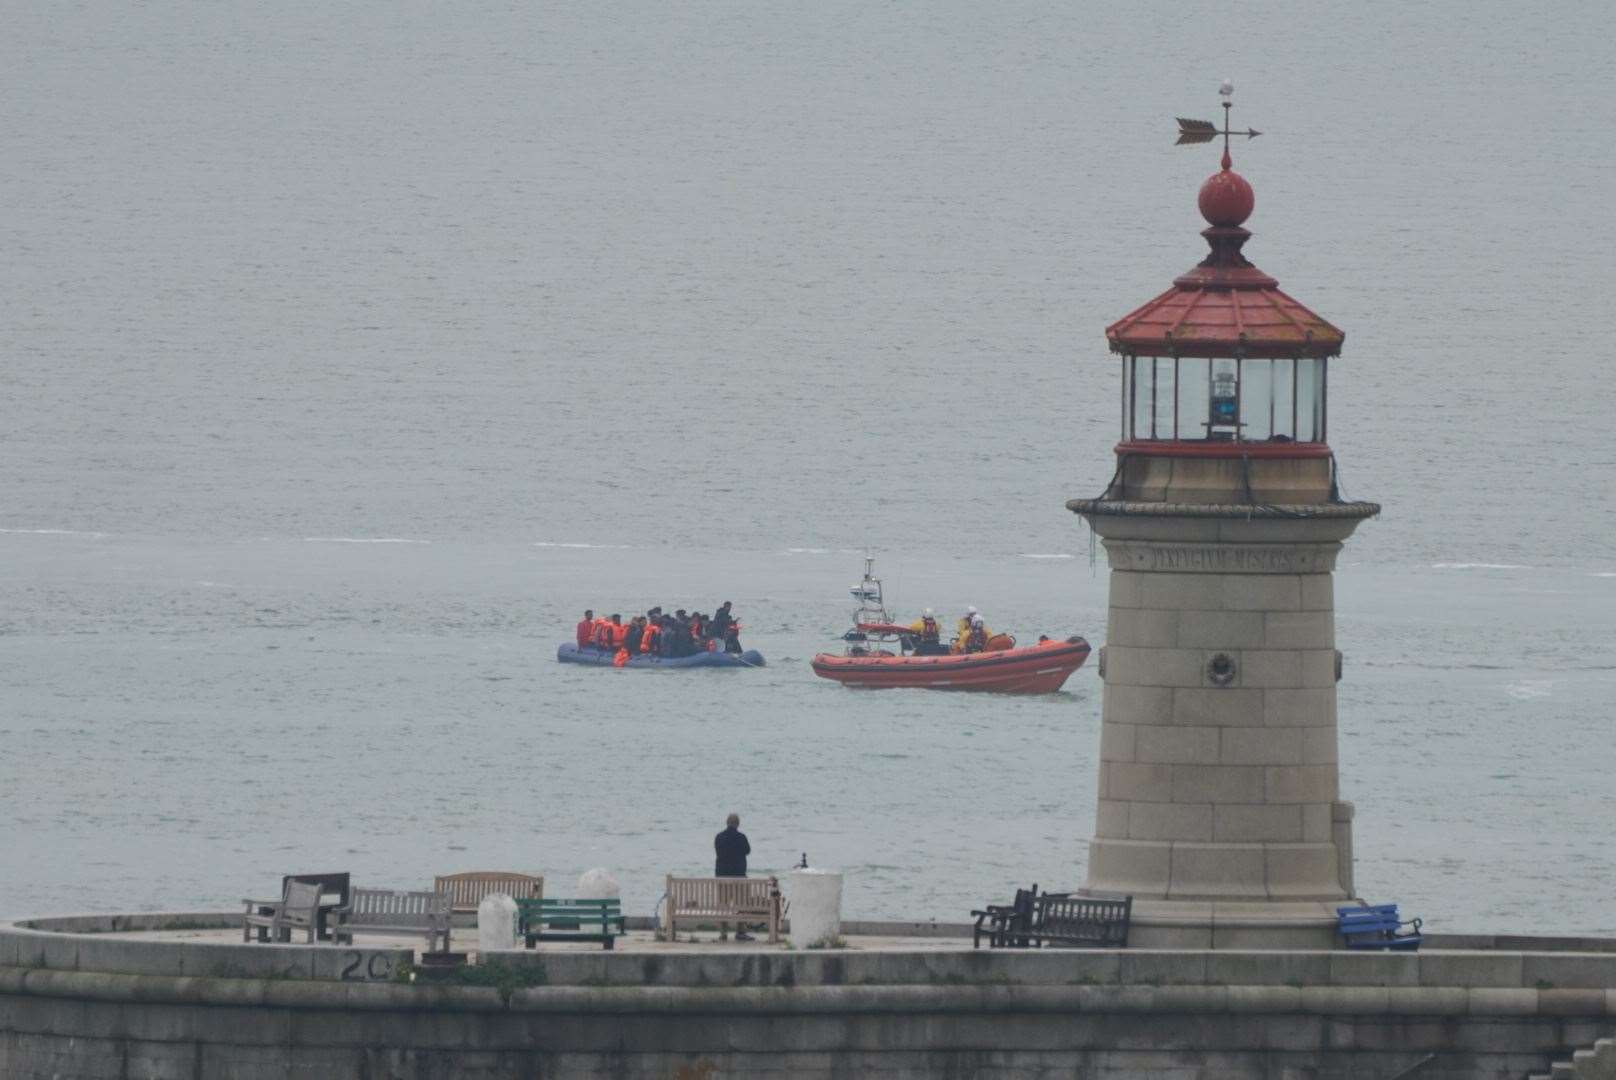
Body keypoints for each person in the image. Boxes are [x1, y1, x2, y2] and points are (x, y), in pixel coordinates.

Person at [714, 812, 753, 939]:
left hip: (722, 877)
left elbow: (717, 850)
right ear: (738, 824)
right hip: (739, 877)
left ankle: (723, 932)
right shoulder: (741, 837)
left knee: (723, 904)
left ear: (727, 823)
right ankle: (740, 931)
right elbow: (748, 851)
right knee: (741, 904)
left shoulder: (719, 837)